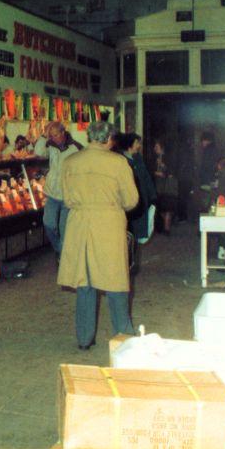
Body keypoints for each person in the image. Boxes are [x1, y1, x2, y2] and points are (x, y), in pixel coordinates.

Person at [57, 122, 139, 349]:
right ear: (109, 139)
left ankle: (84, 339)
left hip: (80, 224)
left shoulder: (70, 162)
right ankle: (123, 337)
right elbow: (131, 200)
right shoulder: (119, 162)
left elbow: (67, 198)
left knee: (85, 282)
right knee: (115, 282)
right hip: (108, 224)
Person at [33, 121, 83, 259]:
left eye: (55, 135)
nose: (53, 138)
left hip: (68, 196)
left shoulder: (76, 148)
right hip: (52, 194)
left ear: (63, 133)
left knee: (64, 230)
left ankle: (63, 258)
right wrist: (44, 135)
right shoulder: (51, 146)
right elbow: (38, 152)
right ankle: (60, 250)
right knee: (48, 224)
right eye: (51, 135)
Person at [115, 133, 157, 243]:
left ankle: (134, 252)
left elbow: (146, 178)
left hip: (141, 200)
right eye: (137, 143)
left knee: (139, 233)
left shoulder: (138, 158)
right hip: (127, 201)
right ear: (130, 145)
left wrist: (152, 196)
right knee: (128, 231)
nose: (139, 145)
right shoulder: (120, 160)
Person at [150, 139, 178, 235]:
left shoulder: (169, 158)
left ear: (162, 148)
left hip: (168, 186)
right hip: (159, 186)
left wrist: (164, 168)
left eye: (157, 147)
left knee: (168, 207)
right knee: (161, 207)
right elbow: (151, 170)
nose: (155, 149)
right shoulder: (154, 158)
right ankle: (165, 225)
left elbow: (172, 172)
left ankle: (167, 228)